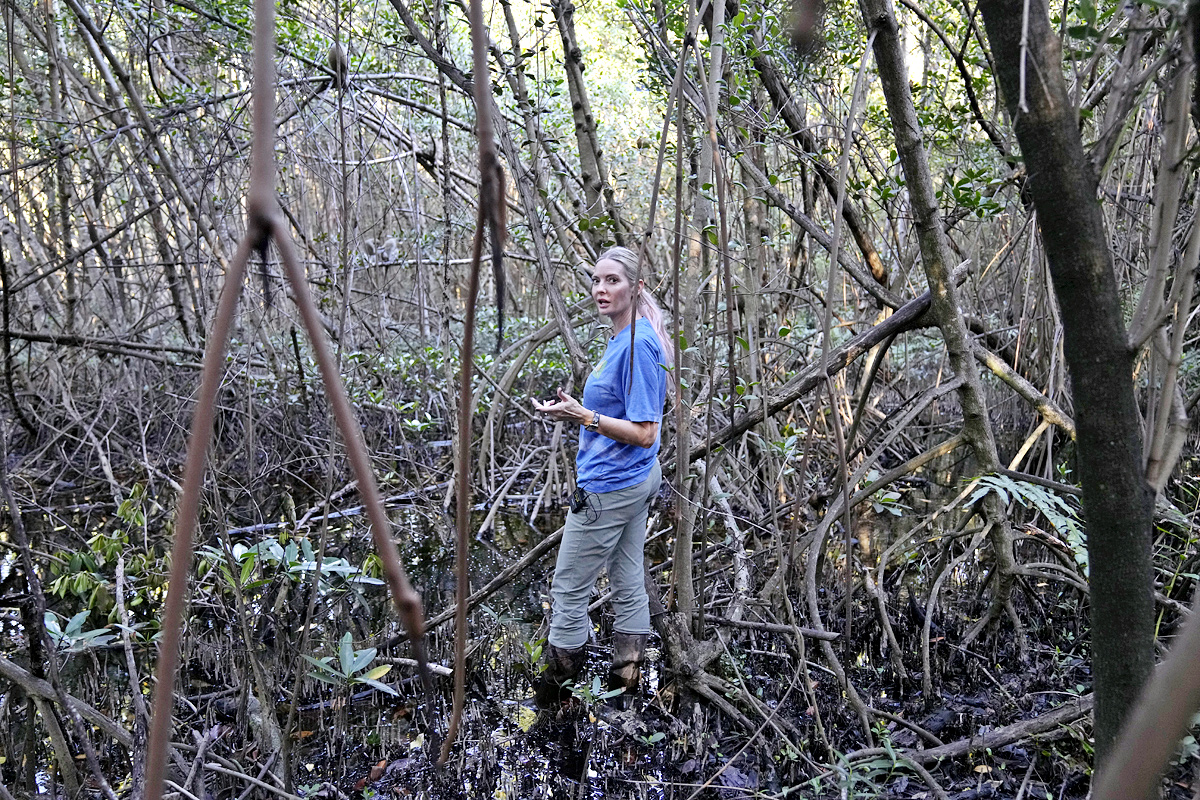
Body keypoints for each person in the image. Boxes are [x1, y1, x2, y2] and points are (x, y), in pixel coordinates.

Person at [531, 246, 671, 708]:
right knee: (628, 579)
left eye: (613, 280)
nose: (600, 289)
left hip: (612, 487)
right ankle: (624, 691)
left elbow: (646, 432)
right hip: (631, 481)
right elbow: (618, 414)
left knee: (568, 591)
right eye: (597, 280)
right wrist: (573, 413)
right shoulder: (625, 337)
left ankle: (557, 702)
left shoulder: (640, 344)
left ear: (637, 287)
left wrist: (584, 417)